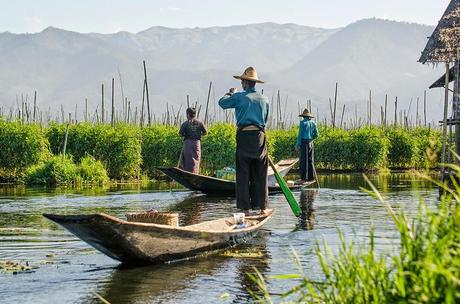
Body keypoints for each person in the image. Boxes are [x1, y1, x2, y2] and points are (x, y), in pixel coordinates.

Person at [218, 66, 272, 215]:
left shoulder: (239, 97)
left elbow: (222, 103)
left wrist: (230, 93)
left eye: (242, 81)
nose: (242, 83)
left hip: (243, 136)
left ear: (245, 83)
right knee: (260, 173)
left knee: (243, 173)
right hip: (259, 137)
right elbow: (265, 120)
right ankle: (262, 207)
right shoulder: (265, 99)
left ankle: (245, 208)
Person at [179, 107, 207, 173]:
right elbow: (205, 132)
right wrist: (199, 135)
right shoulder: (200, 123)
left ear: (188, 114)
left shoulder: (185, 124)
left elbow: (180, 134)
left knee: (188, 160)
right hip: (197, 143)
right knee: (196, 159)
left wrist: (185, 135)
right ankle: (195, 173)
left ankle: (187, 174)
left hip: (188, 144)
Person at [295, 109, 318, 183]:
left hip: (304, 143)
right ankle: (311, 178)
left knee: (303, 161)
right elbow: (316, 134)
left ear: (303, 116)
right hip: (310, 142)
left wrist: (297, 145)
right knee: (310, 160)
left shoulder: (303, 123)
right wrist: (311, 139)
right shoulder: (313, 123)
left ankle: (304, 179)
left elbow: (300, 135)